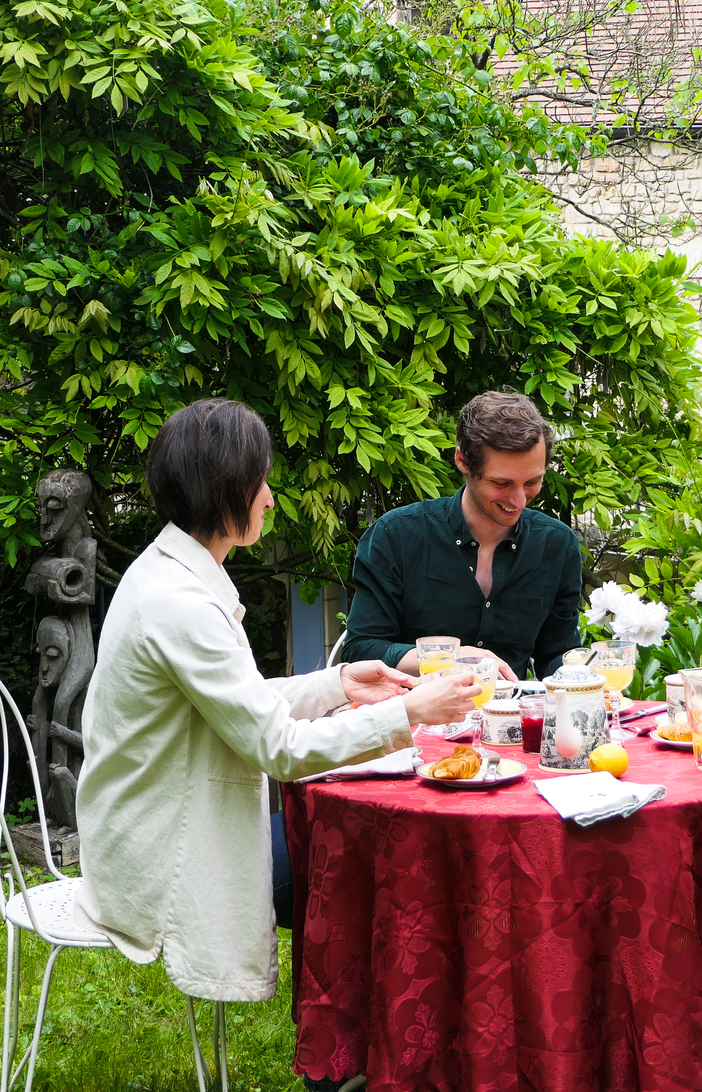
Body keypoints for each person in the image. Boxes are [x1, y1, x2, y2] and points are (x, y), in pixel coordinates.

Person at [75, 398, 476, 1021]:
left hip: (138, 829)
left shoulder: (170, 573)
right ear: (226, 489)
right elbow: (280, 749)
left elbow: (241, 706)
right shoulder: (179, 603)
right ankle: (349, 1058)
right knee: (374, 874)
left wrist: (341, 683)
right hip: (158, 859)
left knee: (376, 865)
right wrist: (411, 713)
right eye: (259, 482)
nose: (268, 497)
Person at [339, 392, 584, 681]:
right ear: (463, 460)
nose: (519, 500)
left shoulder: (557, 545)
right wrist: (450, 659)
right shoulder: (396, 536)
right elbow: (361, 650)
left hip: (507, 717)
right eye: (501, 483)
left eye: (532, 481)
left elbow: (557, 654)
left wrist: (581, 676)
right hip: (414, 717)